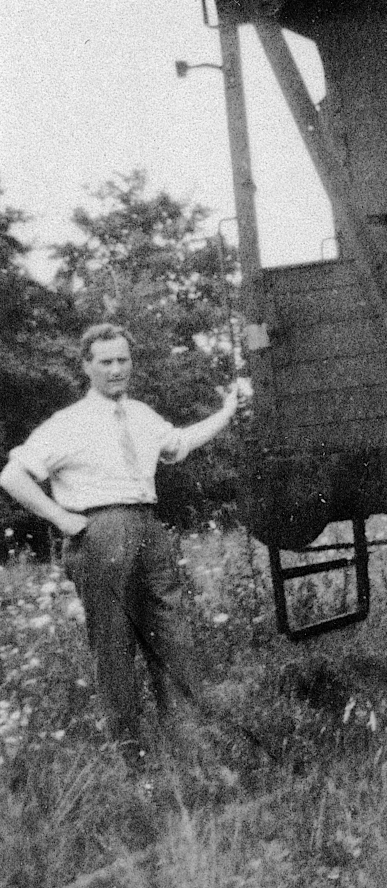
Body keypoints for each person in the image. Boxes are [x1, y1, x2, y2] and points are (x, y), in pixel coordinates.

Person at [0, 323, 239, 763]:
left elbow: (179, 444)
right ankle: (134, 761)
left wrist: (226, 412)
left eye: (123, 360)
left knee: (173, 638)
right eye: (106, 362)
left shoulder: (143, 414)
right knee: (113, 647)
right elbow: (12, 475)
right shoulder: (67, 423)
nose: (116, 369)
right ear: (87, 366)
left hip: (148, 528)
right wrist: (63, 520)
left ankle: (192, 753)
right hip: (99, 532)